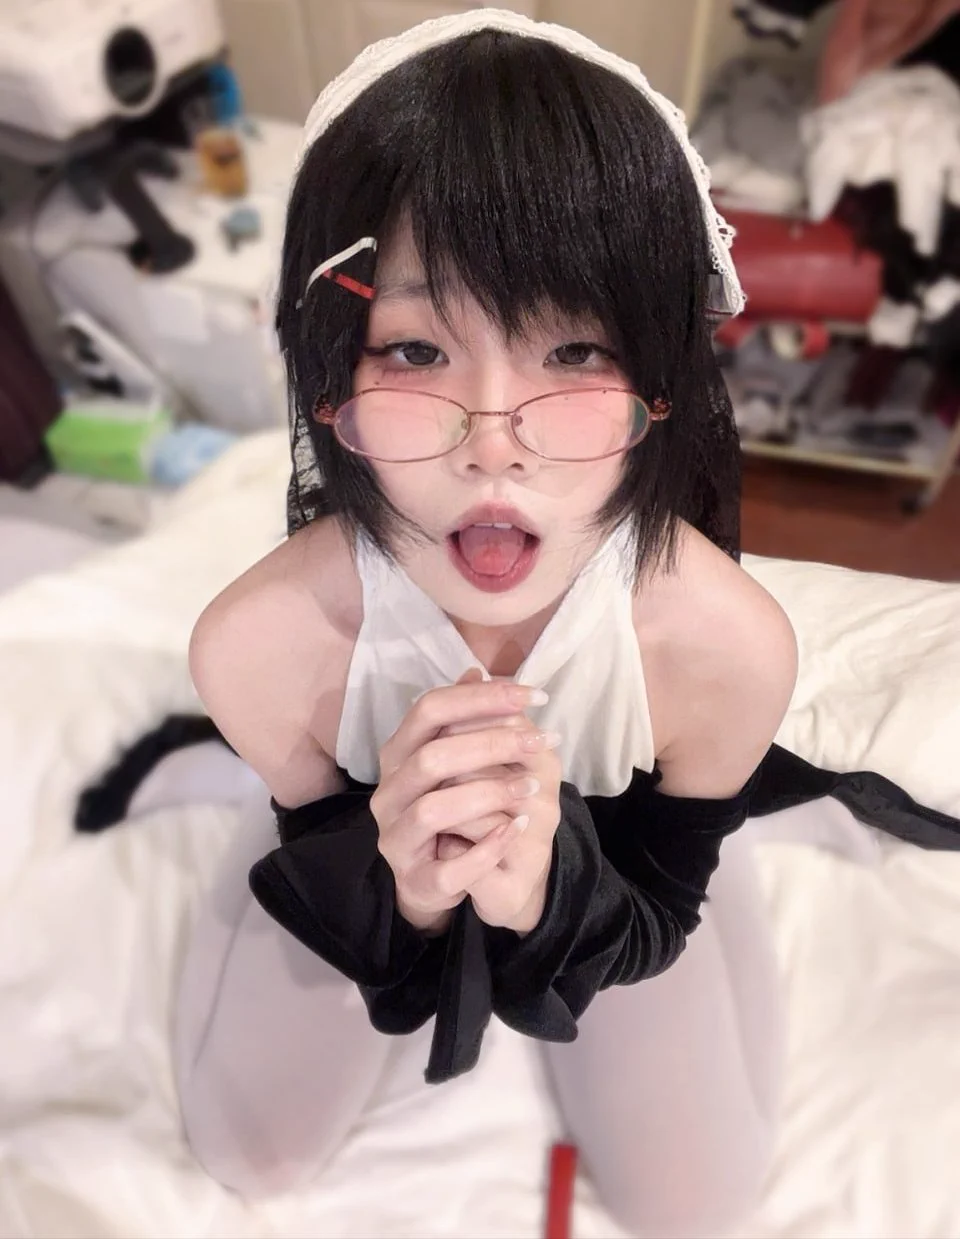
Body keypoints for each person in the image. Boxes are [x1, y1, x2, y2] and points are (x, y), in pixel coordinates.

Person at [173, 10, 797, 1234]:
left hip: (617, 867)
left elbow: (659, 903)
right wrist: (404, 887)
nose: (494, 442)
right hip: (368, 847)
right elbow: (343, 871)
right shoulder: (261, 646)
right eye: (416, 349)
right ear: (331, 373)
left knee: (696, 1211)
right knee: (252, 1158)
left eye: (576, 348)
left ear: (662, 382)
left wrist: (549, 894)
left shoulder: (725, 650)